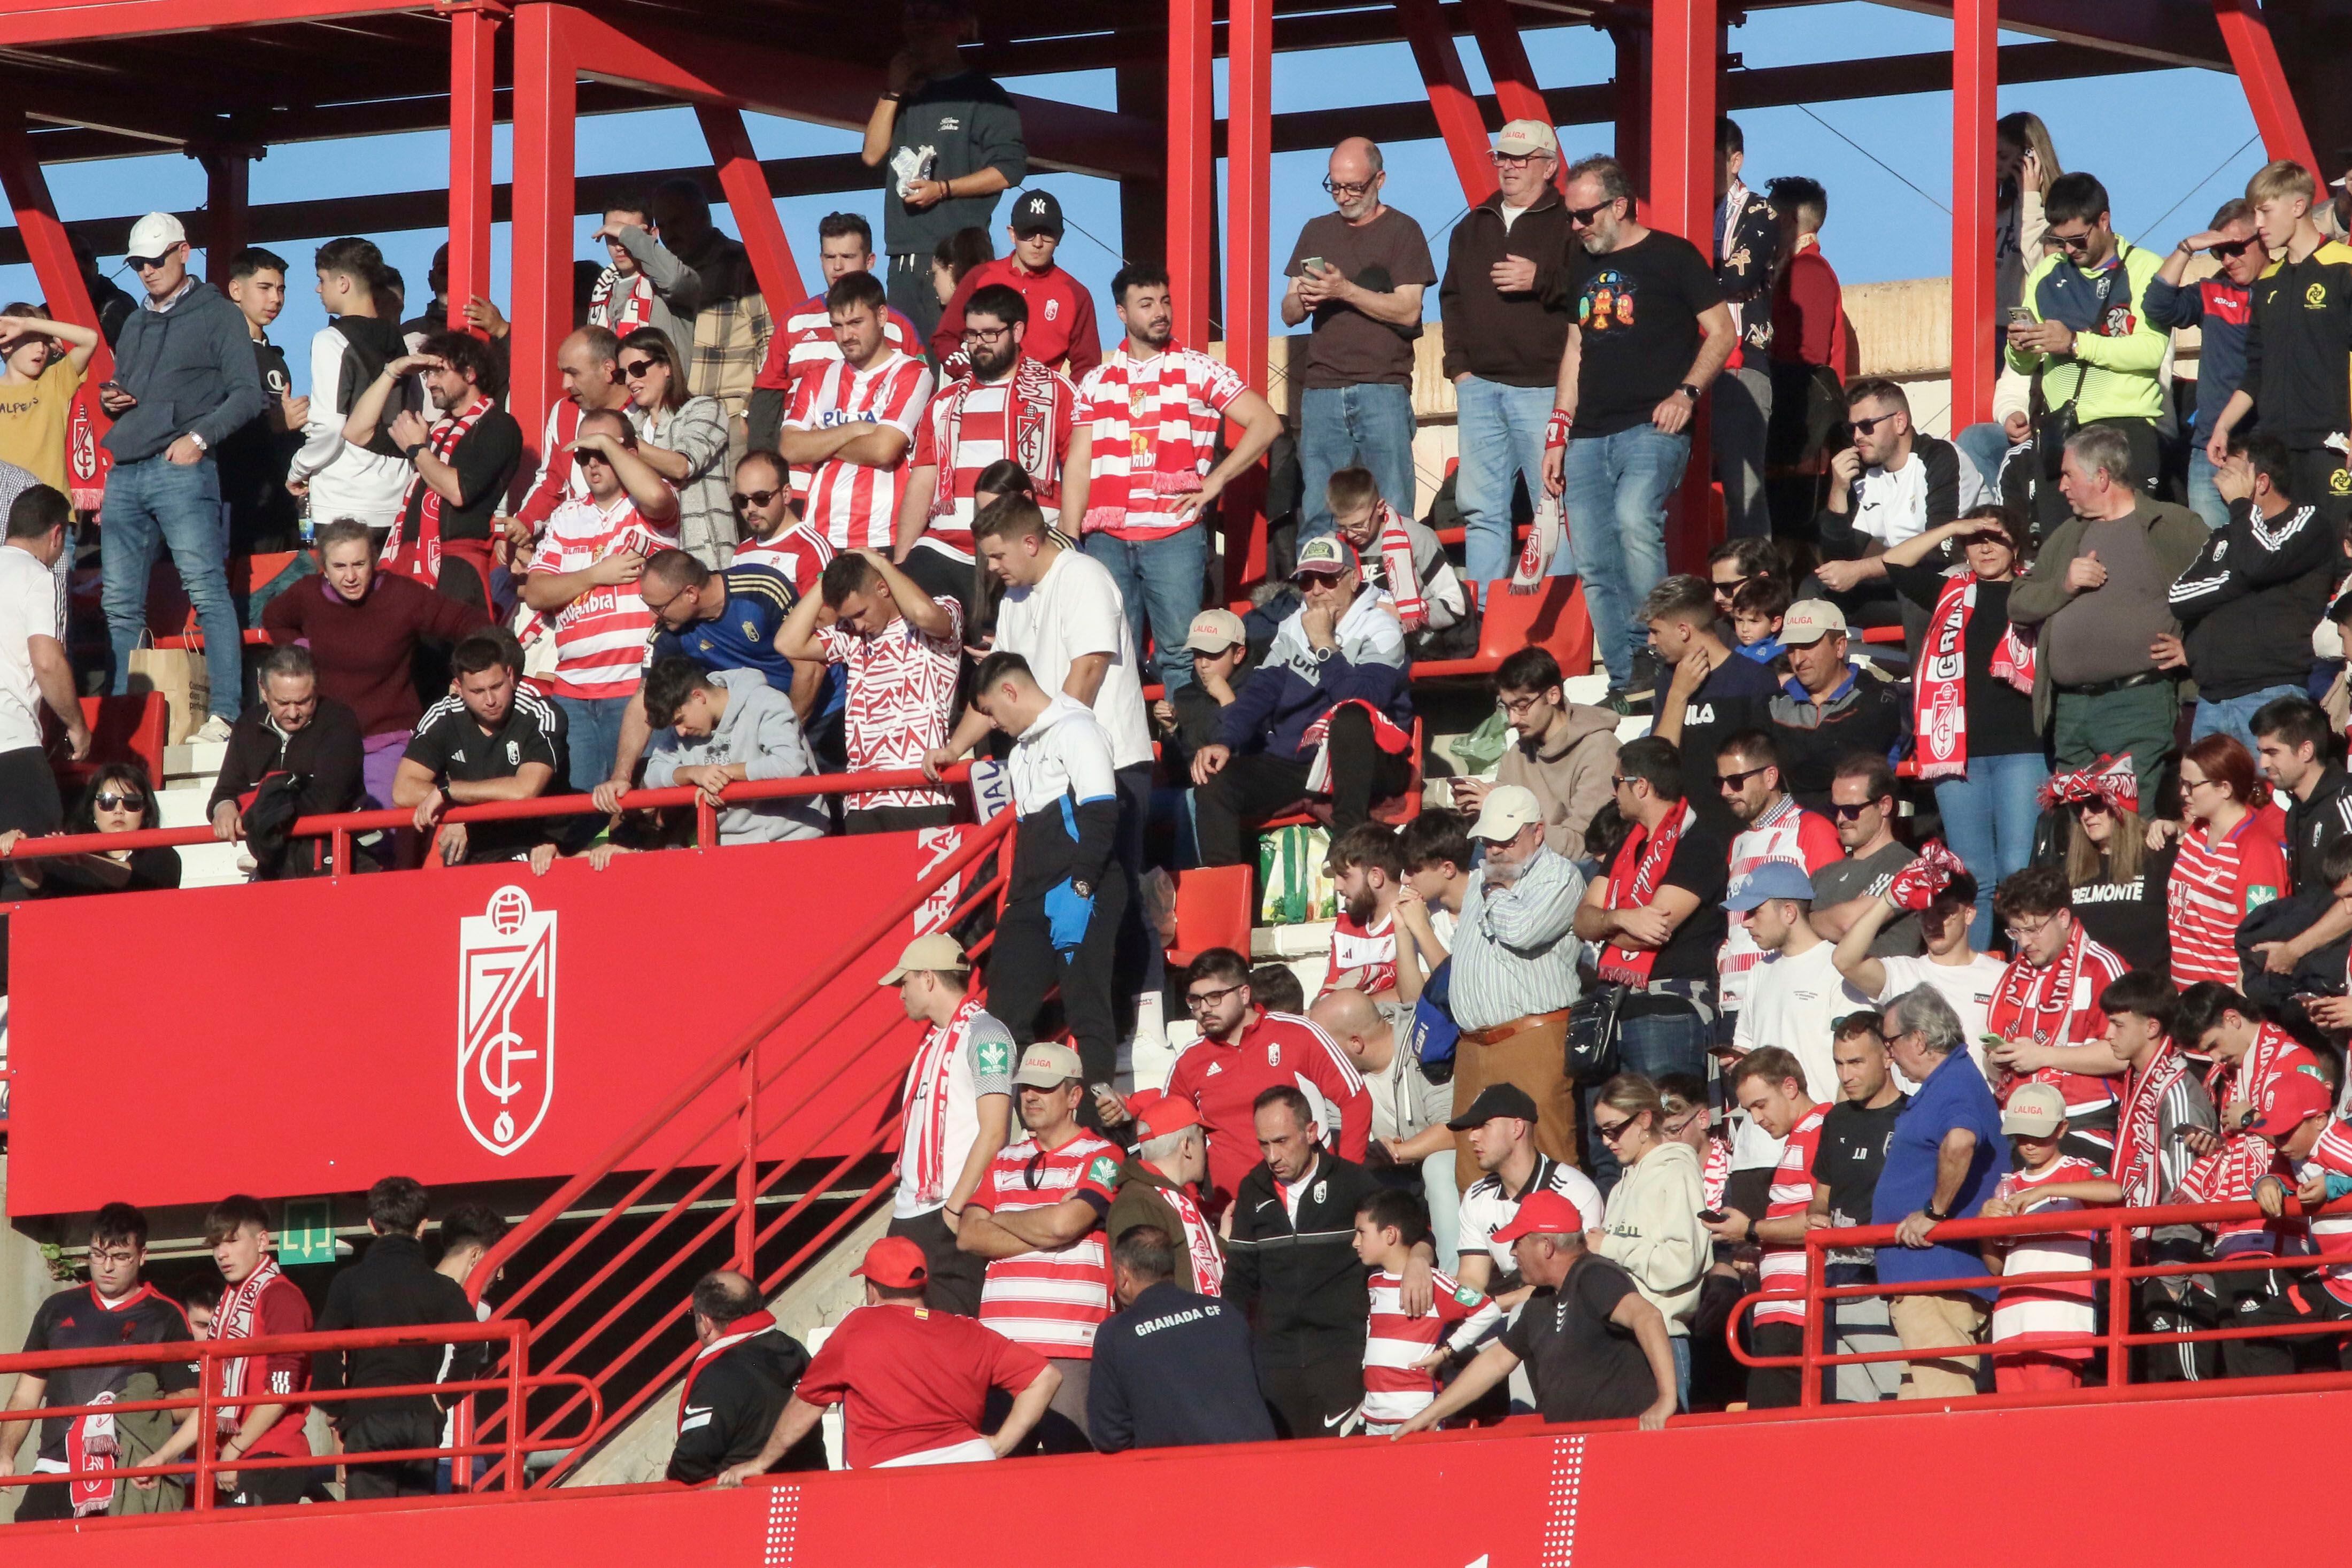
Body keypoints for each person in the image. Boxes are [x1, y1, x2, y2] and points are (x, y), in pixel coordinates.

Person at [1542, 154, 1736, 698]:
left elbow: (1721, 331)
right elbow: (1576, 347)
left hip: (1651, 425)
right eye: (1570, 217)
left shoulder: (1672, 255)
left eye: (1585, 216)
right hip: (1586, 433)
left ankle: (1660, 653)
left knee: (1634, 520)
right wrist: (1557, 431)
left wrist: (1686, 393)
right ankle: (1628, 678)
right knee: (1593, 558)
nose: (1576, 226)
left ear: (1619, 205)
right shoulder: (1579, 263)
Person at [927, 498, 1155, 918]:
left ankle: (1147, 987)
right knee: (1062, 908)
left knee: (1116, 903)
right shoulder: (1015, 599)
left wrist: (1054, 753)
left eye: (997, 555)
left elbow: (1087, 670)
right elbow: (996, 688)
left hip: (1110, 766)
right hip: (1055, 778)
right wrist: (954, 747)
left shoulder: (1083, 576)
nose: (991, 567)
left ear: (1031, 542)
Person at [97, 211, 265, 740]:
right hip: (126, 468)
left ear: (183, 253)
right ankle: (126, 716)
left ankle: (226, 712)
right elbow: (125, 392)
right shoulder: (135, 321)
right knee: (119, 601)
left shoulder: (219, 315)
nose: (146, 271)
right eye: (137, 263)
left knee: (207, 589)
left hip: (180, 468)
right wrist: (112, 400)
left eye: (155, 259)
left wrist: (196, 441)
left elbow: (248, 394)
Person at [1074, 264, 1280, 691]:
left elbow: (1265, 422)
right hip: (1105, 537)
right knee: (1109, 654)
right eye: (1146, 304)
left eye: (1165, 301)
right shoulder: (1095, 381)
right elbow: (1078, 464)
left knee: (1179, 655)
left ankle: (1181, 754)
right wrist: (1066, 537)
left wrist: (1215, 481)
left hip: (1174, 534)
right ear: (1121, 312)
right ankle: (1123, 755)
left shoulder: (1199, 368)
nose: (1160, 312)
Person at [714, 1235, 1057, 1478]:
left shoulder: (858, 1328)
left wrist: (761, 1463)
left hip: (888, 1479)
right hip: (970, 1469)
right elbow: (1045, 1377)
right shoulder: (968, 1330)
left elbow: (806, 1406)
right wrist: (998, 1444)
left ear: (872, 1288)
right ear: (922, 1286)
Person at [1191, 537, 1414, 866]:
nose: (1317, 590)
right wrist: (1224, 741)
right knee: (1214, 781)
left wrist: (1324, 644)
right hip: (1300, 760)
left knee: (1350, 718)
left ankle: (1347, 850)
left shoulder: (1381, 627)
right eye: (1307, 581)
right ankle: (1226, 892)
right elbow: (1260, 693)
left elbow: (1365, 702)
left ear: (1354, 579)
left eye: (1328, 579)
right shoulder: (1293, 626)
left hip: (1369, 758)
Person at [963, 652, 1128, 1096]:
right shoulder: (1019, 753)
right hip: (1031, 896)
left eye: (992, 711)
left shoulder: (1078, 729)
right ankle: (1007, 1124)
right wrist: (1016, 899)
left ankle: (1093, 1123)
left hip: (1082, 887)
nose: (993, 724)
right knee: (1000, 1019)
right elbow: (1027, 835)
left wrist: (1080, 888)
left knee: (1085, 1008)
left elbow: (1100, 815)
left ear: (1010, 692)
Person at [1878, 507, 2045, 936]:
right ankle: (1975, 973)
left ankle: (2021, 966)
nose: (1985, 546)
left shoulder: (2040, 591)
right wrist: (1952, 527)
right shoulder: (1948, 591)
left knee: (2015, 868)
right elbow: (1894, 562)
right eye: (1975, 539)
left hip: (2022, 748)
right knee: (1973, 875)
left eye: (1996, 537)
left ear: (2017, 543)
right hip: (1954, 752)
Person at [1395, 1190, 1678, 1434]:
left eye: (1518, 1242)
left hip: (1622, 1442)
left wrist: (1666, 1400)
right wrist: (1432, 1414)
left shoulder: (1594, 1275)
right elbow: (1495, 1362)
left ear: (1546, 1246)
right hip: (1580, 1447)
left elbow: (1648, 1317)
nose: (1512, 1253)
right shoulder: (1542, 1298)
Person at [1576, 737, 1731, 1179]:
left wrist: (1609, 921)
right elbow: (1583, 921)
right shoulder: (1627, 843)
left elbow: (1652, 932)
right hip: (1617, 1007)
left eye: (1617, 782)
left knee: (1665, 1137)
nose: (1613, 792)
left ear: (1640, 786)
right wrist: (1620, 915)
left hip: (1668, 1009)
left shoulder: (1697, 843)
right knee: (1610, 1143)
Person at [955, 1040, 1120, 1452]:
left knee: (1075, 1472)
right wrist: (1043, 1224)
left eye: (1044, 1087)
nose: (1029, 1095)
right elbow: (967, 1235)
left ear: (1074, 1096)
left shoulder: (1104, 1154)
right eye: (1025, 1085)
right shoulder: (1004, 1158)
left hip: (1070, 1348)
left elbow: (1066, 1224)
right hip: (1000, 1350)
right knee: (1006, 1484)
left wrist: (1002, 1220)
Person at [261, 520, 488, 809]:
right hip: (326, 740)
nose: (351, 576)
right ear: (324, 568)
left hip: (389, 738)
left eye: (360, 564)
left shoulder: (401, 595)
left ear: (375, 561)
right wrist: (303, 651)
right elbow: (274, 617)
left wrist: (470, 673)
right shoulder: (307, 594)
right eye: (340, 567)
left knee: (380, 830)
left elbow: (467, 622)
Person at [2170, 982, 2334, 1377]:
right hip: (2237, 1228)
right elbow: (2245, 1142)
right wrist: (2216, 1143)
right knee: (2245, 1361)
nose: (2212, 1056)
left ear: (2232, 1018)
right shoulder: (2237, 1068)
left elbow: (2313, 1129)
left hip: (2278, 1232)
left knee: (2270, 1360)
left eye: (2212, 1044)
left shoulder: (2292, 1056)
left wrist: (2249, 1120)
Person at [3, 1203, 201, 1522]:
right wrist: (5, 1452)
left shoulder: (166, 1316)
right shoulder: (57, 1307)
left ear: (142, 1256)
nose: (107, 1266)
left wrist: (128, 1407)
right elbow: (26, 1394)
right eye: (98, 1254)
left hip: (124, 1472)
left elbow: (194, 1400)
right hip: (54, 1467)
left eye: (121, 1257)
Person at [1282, 136, 1436, 544]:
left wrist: (1343, 291)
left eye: (1354, 187)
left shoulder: (1404, 231)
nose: (1344, 196)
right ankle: (1318, 595)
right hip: (1321, 390)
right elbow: (1288, 312)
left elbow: (1408, 309)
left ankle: (1394, 594)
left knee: (1392, 509)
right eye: (1335, 186)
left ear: (1379, 180)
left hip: (1382, 387)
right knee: (1318, 510)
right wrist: (1305, 296)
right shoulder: (1316, 230)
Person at [899, 281, 1084, 618]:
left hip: (1023, 547)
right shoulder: (945, 402)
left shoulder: (1055, 393)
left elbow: (1077, 470)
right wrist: (902, 559)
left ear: (1017, 331)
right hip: (947, 547)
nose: (978, 344)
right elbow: (923, 482)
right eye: (971, 335)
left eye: (989, 334)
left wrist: (1067, 542)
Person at [1440, 120, 1572, 588]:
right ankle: (1484, 616)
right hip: (1479, 390)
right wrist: (1458, 370)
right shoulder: (1471, 227)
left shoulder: (1570, 222)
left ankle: (1559, 623)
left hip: (1544, 390)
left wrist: (1540, 279)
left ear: (1549, 166)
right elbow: (1450, 300)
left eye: (1521, 157)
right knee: (1481, 511)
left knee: (1552, 506)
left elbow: (1593, 294)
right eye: (1502, 157)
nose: (1509, 166)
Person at [520, 407, 681, 790]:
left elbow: (658, 495)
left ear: (628, 452)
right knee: (581, 814)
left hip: (635, 686)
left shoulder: (647, 504)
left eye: (603, 454)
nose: (593, 464)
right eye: (583, 455)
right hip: (573, 690)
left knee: (639, 809)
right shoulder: (566, 515)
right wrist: (597, 574)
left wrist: (611, 444)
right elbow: (537, 592)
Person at [1224, 1086, 1398, 1438]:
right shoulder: (1252, 1189)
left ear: (1312, 1131)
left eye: (1281, 1140)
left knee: (1344, 1473)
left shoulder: (1352, 1182)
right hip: (1275, 1360)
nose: (1272, 1156)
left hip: (1341, 1354)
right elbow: (1239, 1282)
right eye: (1264, 1144)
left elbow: (1406, 1233)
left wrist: (1421, 1260)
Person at [1437, 783, 1588, 1174]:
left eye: (1505, 840)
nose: (1495, 850)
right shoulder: (1479, 880)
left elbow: (1521, 931)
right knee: (1471, 1171)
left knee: (1548, 1156)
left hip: (1532, 1040)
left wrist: (1498, 889)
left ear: (1537, 831)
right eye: (1487, 841)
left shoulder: (1559, 877)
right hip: (1472, 1046)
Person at [2006, 172, 2169, 527]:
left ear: (2104, 221)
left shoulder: (2145, 267)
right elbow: (2022, 365)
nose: (2068, 250)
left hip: (2123, 430)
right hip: (2060, 432)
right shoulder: (2047, 273)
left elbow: (2150, 351)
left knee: (2127, 544)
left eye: (2077, 240)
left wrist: (2076, 343)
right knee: (2061, 550)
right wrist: (2019, 346)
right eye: (2059, 240)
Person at [1874, 986, 2009, 1399]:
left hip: (1937, 1280)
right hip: (1926, 1281)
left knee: (1944, 1408)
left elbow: (1960, 1140)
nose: (1888, 1055)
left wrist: (1933, 1213)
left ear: (1918, 1039)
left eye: (1889, 1042)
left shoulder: (1954, 1081)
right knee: (1919, 1419)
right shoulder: (1946, 1081)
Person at [1162, 947, 1370, 1215]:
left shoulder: (1295, 1033)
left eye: (1214, 997)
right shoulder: (1189, 1062)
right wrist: (1196, 1205)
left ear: (1244, 993)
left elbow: (1356, 1100)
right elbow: (1170, 1137)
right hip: (1235, 1214)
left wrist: (1346, 1182)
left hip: (1311, 1205)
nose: (1203, 1009)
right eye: (1195, 1000)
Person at [311, 1177, 482, 1499]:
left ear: (372, 1225)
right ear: (422, 1226)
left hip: (367, 1415)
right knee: (415, 1528)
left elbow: (323, 1345)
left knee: (370, 1529)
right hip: (420, 1416)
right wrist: (444, 1397)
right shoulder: (441, 1287)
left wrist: (334, 1407)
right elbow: (473, 1343)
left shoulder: (349, 1282)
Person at [865, 0, 1027, 336]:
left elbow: (1009, 170)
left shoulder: (985, 96)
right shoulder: (904, 95)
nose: (919, 36)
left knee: (956, 361)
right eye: (913, 25)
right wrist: (892, 90)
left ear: (958, 27)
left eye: (930, 25)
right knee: (911, 365)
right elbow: (872, 155)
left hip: (959, 257)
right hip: (903, 256)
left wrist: (944, 189)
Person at [2203, 160, 2352, 526]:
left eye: (2265, 212)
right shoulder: (2268, 282)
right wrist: (2223, 425)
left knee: (2337, 552)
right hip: (2276, 450)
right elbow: (2256, 368)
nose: (2257, 224)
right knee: (2283, 554)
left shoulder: (2344, 266)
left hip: (2331, 445)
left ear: (2298, 207)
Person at [2167, 433, 2335, 750]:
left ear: (2261, 482)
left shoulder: (2307, 522)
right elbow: (2179, 597)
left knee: (2272, 799)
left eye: (2232, 473)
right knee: (2207, 799)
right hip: (2211, 703)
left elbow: (2260, 563)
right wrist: (2241, 580)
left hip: (2272, 698)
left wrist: (2242, 505)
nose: (2220, 481)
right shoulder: (2223, 537)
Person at [777, 548, 961, 833]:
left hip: (922, 792)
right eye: (851, 617)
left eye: (861, 612)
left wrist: (880, 564)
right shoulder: (851, 635)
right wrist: (828, 577)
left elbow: (924, 615)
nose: (859, 624)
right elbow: (788, 644)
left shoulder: (943, 611)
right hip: (862, 797)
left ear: (883, 588)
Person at [879, 932, 1011, 1317]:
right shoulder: (932, 1042)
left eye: (904, 982)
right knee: (897, 1332)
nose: (900, 993)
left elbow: (994, 1130)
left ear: (928, 978)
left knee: (951, 1331)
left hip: (951, 1208)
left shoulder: (986, 1034)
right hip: (910, 1211)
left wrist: (955, 1210)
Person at [345, 332, 523, 612]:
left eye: (438, 372)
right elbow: (356, 430)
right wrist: (393, 371)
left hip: (458, 568)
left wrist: (417, 450)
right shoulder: (434, 431)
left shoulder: (498, 426)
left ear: (470, 373)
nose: (429, 383)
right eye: (427, 374)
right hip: (409, 562)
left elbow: (458, 491)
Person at [1983, 865, 2134, 1161]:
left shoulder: (2102, 966)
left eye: (2033, 930)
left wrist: (2045, 1055)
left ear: (2063, 917)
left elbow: (2126, 1053)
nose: (2024, 942)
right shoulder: (2013, 975)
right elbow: (1993, 1062)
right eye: (2015, 931)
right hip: (2017, 1121)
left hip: (2082, 1120)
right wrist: (1998, 1060)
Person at [778, 272, 935, 554]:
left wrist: (819, 443)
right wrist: (853, 429)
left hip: (883, 534)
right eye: (837, 326)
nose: (846, 336)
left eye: (855, 323)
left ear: (882, 316)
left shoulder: (913, 373)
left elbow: (883, 450)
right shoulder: (818, 378)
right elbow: (789, 448)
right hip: (820, 535)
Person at [746, 212, 922, 457]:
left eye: (847, 257)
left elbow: (917, 403)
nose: (837, 266)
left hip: (873, 474)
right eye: (830, 257)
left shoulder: (899, 328)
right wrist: (763, 462)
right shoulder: (795, 322)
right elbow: (768, 397)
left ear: (870, 260)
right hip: (799, 476)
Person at [1708, 1046, 1826, 1410]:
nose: (1756, 1118)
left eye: (1761, 1104)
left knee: (1773, 1422)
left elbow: (1818, 1223)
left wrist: (1752, 1230)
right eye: (1748, 1110)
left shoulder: (1820, 1130)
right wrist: (1760, 1248)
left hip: (1794, 1310)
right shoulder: (1802, 1135)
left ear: (1789, 1086)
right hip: (1782, 1307)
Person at [1977, 1082, 2112, 1393]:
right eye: (2022, 1135)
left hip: (2060, 1322)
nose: (2029, 1145)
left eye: (2039, 1134)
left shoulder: (2077, 1170)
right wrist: (1984, 1224)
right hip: (2011, 1323)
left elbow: (2113, 1191)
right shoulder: (2008, 1185)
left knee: (2055, 1425)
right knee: (2016, 1427)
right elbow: (1996, 1267)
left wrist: (2046, 1190)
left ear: (2062, 1129)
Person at [1088, 1226, 1274, 1451]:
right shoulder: (1225, 1312)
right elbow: (1264, 1390)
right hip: (1259, 1465)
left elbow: (1109, 1436)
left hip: (1183, 1476)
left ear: (1123, 1276)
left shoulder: (1115, 1335)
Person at [394, 631, 566, 869]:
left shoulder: (540, 713)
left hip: (537, 843)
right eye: (477, 692)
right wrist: (457, 812)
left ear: (511, 676)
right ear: (459, 688)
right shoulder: (443, 714)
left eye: (497, 686)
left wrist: (448, 791)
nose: (490, 700)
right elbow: (403, 791)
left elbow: (524, 790)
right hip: (475, 844)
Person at [2143, 198, 2264, 530]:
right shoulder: (2213, 290)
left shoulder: (2282, 289)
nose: (2227, 259)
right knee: (2214, 556)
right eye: (2218, 251)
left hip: (2266, 447)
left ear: (2263, 238)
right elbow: (2157, 306)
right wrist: (2186, 248)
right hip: (2210, 451)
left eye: (2235, 248)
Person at [1590, 1073, 1709, 1405]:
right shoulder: (1620, 1186)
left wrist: (1610, 1247)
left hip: (1664, 1343)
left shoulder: (1678, 1171)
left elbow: (1683, 1263)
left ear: (1644, 1118)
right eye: (1599, 1131)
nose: (1606, 1140)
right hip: (1619, 1345)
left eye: (1613, 1128)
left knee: (1667, 1457)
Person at [1314, 987, 1459, 1253]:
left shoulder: (1424, 1045)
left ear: (1355, 1043)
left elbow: (1451, 1130)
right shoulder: (1337, 1073)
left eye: (1323, 1045)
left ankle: (1453, 1276)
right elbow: (1337, 1139)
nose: (1317, 1054)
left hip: (1442, 1170)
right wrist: (1371, 1154)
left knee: (1438, 1166)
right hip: (1387, 1179)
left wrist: (1395, 1152)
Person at [1714, 727, 1843, 1023]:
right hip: (1735, 1001)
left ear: (1770, 777)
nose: (1725, 791)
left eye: (1735, 781)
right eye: (1720, 782)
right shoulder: (1738, 843)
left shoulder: (1811, 829)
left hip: (1787, 997)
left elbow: (1830, 914)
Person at [205, 644, 368, 878]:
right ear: (263, 691)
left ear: (317, 689)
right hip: (272, 864)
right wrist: (224, 808)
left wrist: (260, 817)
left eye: (304, 702)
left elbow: (326, 801)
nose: (293, 713)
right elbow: (224, 793)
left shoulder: (339, 722)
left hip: (334, 857)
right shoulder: (247, 726)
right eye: (283, 703)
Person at [1810, 1018, 1909, 1402]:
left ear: (1887, 1055)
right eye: (1839, 1063)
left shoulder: (1910, 1118)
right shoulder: (1836, 1119)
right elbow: (1823, 1193)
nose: (1845, 1075)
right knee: (1847, 1408)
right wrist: (1815, 1214)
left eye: (1855, 1062)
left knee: (1890, 1395)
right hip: (1832, 1281)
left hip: (1882, 1282)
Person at [1810, 379, 1961, 628]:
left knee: (1915, 586)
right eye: (1852, 429)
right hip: (1897, 580)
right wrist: (1838, 490)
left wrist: (1859, 571)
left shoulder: (1940, 458)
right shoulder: (1864, 472)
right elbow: (1839, 562)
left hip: (1950, 581)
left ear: (1899, 422)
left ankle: (1921, 666)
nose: (1857, 437)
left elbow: (1941, 551)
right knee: (1815, 588)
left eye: (1867, 426)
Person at [1351, 1188, 1501, 1435]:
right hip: (1374, 1416)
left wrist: (1447, 1351)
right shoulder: (1374, 1281)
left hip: (1417, 1415)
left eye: (1362, 1233)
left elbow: (1488, 1310)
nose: (1355, 1242)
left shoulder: (1436, 1283)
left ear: (1390, 1235)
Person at [289, 237, 412, 534]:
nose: (318, 289)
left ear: (343, 283)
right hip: (396, 497)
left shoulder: (329, 340)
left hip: (342, 500)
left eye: (322, 280)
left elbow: (330, 426)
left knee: (341, 581)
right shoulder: (400, 342)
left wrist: (299, 468)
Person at [1642, 573, 1781, 832]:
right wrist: (1678, 695)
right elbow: (1657, 765)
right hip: (1683, 831)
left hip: (1741, 830)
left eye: (1655, 631)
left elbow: (1769, 769)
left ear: (1684, 631)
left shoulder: (1753, 680)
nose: (1651, 640)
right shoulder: (1669, 681)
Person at [1452, 646, 1618, 859]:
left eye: (1522, 706)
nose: (1513, 720)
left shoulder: (1599, 750)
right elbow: (1504, 814)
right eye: (1507, 708)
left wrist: (1502, 811)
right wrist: (1478, 809)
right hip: (1523, 858)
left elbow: (1582, 847)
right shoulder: (1518, 752)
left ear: (1553, 695)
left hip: (1573, 868)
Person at [203, 1194, 313, 1507]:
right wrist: (161, 1458)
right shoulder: (229, 1305)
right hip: (229, 1456)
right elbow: (210, 1397)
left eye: (233, 1241)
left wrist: (234, 1450)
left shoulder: (281, 1297)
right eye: (216, 1245)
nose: (222, 1254)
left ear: (262, 1241)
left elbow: (281, 1389)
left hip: (269, 1455)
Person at [638, 659, 825, 844]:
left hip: (796, 837)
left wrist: (723, 774)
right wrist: (693, 773)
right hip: (734, 846)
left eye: (679, 720)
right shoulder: (684, 730)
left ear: (699, 697)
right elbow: (653, 775)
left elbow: (790, 765)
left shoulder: (765, 701)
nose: (680, 731)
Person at [666, 1271, 824, 1485]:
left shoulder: (719, 1373)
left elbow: (692, 1462)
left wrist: (671, 1473)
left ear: (706, 1323)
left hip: (743, 1501)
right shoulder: (794, 1350)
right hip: (808, 1489)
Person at [1451, 1082, 1606, 1299]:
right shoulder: (1476, 1196)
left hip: (1558, 1312)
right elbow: (1471, 1277)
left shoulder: (1574, 1190)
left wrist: (1494, 1306)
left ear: (1517, 1128)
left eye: (1483, 1125)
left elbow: (1573, 1278)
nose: (1472, 1137)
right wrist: (1467, 1310)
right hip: (1500, 1314)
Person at [638, 179, 774, 422]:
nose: (671, 234)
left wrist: (753, 412)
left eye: (678, 222)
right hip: (675, 419)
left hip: (729, 415)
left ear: (703, 216)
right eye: (664, 225)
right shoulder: (656, 276)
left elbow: (769, 341)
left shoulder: (742, 264)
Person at [2243, 697, 2352, 999]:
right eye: (2261, 752)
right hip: (2315, 955)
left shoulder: (2346, 804)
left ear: (2306, 750)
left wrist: (2294, 951)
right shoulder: (2297, 810)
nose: (2263, 764)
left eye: (2272, 752)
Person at [929, 189, 1100, 380]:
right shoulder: (980, 277)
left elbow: (1088, 367)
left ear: (1060, 237)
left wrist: (1063, 403)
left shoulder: (1076, 294)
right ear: (1012, 234)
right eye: (1028, 233)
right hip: (980, 396)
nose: (1037, 243)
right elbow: (944, 338)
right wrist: (970, 373)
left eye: (1047, 234)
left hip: (1041, 401)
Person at [1834, 852, 2005, 1042]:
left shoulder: (2002, 976)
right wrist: (1888, 899)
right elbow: (1844, 961)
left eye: (1944, 913)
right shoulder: (1902, 972)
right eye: (1924, 914)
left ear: (1969, 915)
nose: (1932, 923)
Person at [0, 484, 84, 870]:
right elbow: (47, 661)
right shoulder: (36, 575)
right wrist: (76, 724)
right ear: (57, 534)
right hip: (11, 742)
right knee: (37, 867)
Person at [1726, 863, 1855, 1108]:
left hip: (1816, 1129)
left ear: (1789, 913)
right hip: (1759, 1136)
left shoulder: (1837, 967)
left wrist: (1836, 1127)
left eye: (1754, 912)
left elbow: (1855, 1058)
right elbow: (1745, 1045)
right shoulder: (1760, 971)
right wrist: (1738, 1061)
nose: (1745, 923)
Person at [2168, 734, 2291, 989]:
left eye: (2191, 785)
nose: (2183, 792)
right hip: (2186, 1002)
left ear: (2224, 788)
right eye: (2181, 782)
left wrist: (2237, 1011)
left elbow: (2259, 942)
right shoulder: (2197, 831)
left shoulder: (2256, 849)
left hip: (2223, 1007)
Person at [1708, 118, 1780, 543]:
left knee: (1744, 487)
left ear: (1735, 161)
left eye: (1711, 158)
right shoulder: (1682, 204)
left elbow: (1739, 277)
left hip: (1741, 361)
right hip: (1687, 364)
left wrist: (1686, 286)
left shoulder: (1759, 210)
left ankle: (1756, 586)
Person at [1765, 174, 1853, 522]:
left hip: (1801, 443)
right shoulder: (1801, 268)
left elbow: (1807, 359)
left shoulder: (1806, 270)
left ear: (1786, 220)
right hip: (1797, 442)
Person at [1764, 598, 1905, 809]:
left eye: (1808, 645)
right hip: (1793, 830)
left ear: (1840, 647)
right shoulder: (1774, 702)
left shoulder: (1880, 699)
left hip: (1858, 822)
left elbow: (1849, 765)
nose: (1798, 659)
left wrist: (1791, 763)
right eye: (1792, 648)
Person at [615, 328, 732, 569]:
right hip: (650, 564)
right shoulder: (629, 425)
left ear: (667, 367)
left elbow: (682, 465)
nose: (629, 381)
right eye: (622, 374)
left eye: (637, 369)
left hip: (705, 560)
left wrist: (621, 444)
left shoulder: (705, 409)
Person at [509, 327, 637, 546]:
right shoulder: (564, 413)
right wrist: (525, 523)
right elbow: (551, 481)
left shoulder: (644, 410)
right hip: (577, 546)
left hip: (633, 541)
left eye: (574, 373)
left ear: (608, 369)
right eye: (563, 373)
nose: (565, 384)